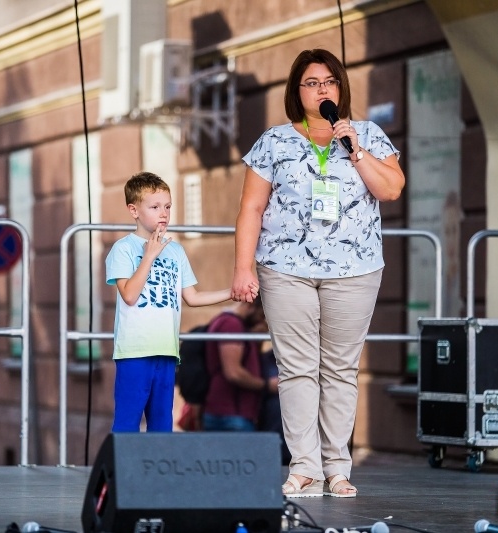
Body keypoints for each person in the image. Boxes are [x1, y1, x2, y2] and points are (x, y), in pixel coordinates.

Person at [231, 49, 405, 497]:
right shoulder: (274, 142)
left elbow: (391, 189)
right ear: (297, 91)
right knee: (297, 369)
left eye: (329, 81)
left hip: (355, 269)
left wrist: (356, 150)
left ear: (341, 87)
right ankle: (304, 466)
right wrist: (242, 267)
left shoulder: (366, 135)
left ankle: (337, 469)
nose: (322, 89)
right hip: (285, 268)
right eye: (311, 82)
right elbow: (251, 208)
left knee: (341, 369)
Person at [105, 172, 257, 433]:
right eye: (154, 207)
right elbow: (129, 295)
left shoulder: (175, 251)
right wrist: (149, 257)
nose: (163, 213)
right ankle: (120, 474)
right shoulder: (124, 249)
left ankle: (158, 473)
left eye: (167, 206)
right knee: (127, 422)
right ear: (134, 210)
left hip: (166, 350)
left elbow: (193, 297)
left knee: (162, 422)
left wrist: (231, 292)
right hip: (134, 351)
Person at [202, 298, 276, 431]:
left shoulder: (237, 325)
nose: (262, 320)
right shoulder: (231, 324)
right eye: (262, 315)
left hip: (236, 413)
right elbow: (233, 373)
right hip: (231, 414)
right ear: (251, 306)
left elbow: (247, 362)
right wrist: (267, 385)